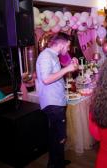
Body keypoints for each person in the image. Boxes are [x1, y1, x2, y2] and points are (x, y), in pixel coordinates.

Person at [36, 32, 79, 168]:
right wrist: (67, 69)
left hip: (57, 101)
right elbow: (46, 79)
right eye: (68, 45)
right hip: (52, 103)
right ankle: (56, 164)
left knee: (56, 136)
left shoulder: (53, 56)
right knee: (59, 137)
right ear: (61, 43)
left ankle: (56, 162)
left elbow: (55, 77)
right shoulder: (45, 56)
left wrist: (69, 67)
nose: (68, 49)